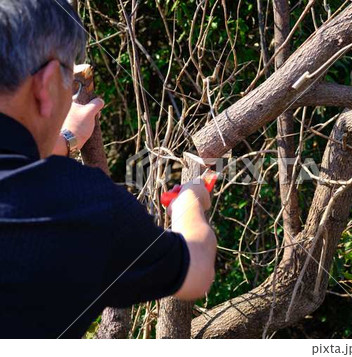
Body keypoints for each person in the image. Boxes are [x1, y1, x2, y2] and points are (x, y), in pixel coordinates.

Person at [0, 0, 216, 338]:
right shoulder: (87, 207)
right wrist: (188, 201)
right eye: (68, 82)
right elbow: (197, 271)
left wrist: (66, 139)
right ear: (44, 87)